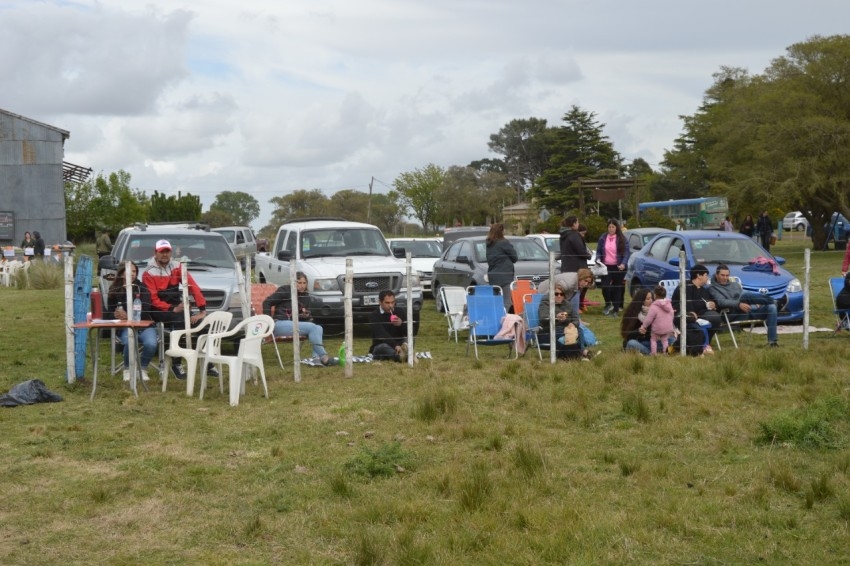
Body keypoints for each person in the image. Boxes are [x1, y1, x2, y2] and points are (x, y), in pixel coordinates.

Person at [142, 239, 215, 380]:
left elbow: (192, 286)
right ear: (155, 253)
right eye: (161, 252)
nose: (165, 254)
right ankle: (176, 363)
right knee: (180, 321)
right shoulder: (148, 272)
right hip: (158, 310)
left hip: (177, 307)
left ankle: (208, 362)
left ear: (171, 252)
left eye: (167, 251)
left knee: (203, 324)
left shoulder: (178, 266)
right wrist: (172, 308)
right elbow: (153, 299)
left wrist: (202, 310)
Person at [262, 272, 333, 365]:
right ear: (293, 282)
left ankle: (316, 359)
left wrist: (305, 316)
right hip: (279, 324)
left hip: (294, 325)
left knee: (318, 328)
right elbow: (267, 302)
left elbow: (302, 318)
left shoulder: (305, 296)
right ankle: (324, 357)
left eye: (304, 283)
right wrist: (268, 322)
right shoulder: (285, 290)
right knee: (313, 327)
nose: (302, 286)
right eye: (299, 283)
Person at [107, 262, 158, 382]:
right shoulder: (114, 290)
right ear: (121, 274)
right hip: (125, 327)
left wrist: (128, 315)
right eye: (129, 271)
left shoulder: (142, 288)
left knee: (151, 344)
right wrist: (115, 315)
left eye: (134, 271)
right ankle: (127, 369)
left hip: (145, 325)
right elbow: (107, 314)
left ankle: (143, 369)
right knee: (129, 342)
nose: (132, 274)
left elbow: (146, 310)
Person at [708, 264, 779, 347]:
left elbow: (747, 296)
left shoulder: (735, 284)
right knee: (745, 295)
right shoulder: (713, 288)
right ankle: (775, 301)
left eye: (727, 275)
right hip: (731, 313)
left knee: (772, 307)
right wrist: (738, 304)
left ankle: (772, 342)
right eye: (722, 275)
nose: (725, 278)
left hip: (747, 310)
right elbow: (722, 302)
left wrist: (756, 301)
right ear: (716, 275)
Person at [671, 264, 722, 354]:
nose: (707, 278)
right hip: (684, 314)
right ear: (699, 275)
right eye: (706, 275)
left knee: (716, 318)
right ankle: (697, 345)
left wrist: (713, 304)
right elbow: (686, 303)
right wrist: (691, 312)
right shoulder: (685, 286)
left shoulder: (703, 289)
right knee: (694, 319)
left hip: (700, 314)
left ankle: (706, 343)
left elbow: (712, 300)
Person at [537, 281, 590, 360]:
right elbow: (543, 318)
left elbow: (576, 318)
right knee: (567, 335)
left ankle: (577, 353)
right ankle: (582, 353)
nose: (559, 296)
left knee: (579, 330)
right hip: (549, 331)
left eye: (561, 294)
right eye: (556, 294)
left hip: (564, 329)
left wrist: (573, 324)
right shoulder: (545, 303)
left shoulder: (567, 304)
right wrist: (556, 317)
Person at [368, 290, 414, 362]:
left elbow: (410, 331)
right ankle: (403, 356)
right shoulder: (374, 315)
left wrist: (401, 324)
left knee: (411, 338)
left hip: (400, 344)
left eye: (392, 302)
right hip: (383, 345)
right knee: (382, 347)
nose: (390, 305)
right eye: (387, 303)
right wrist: (395, 345)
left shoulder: (400, 311)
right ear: (380, 302)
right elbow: (381, 335)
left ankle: (403, 355)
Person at [596, 219, 629, 316]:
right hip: (606, 267)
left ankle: (615, 309)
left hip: (618, 267)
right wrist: (598, 258)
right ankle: (608, 304)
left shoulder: (622, 239)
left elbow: (626, 253)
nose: (611, 229)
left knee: (617, 288)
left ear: (616, 228)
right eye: (609, 227)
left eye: (613, 227)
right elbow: (599, 251)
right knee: (605, 287)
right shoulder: (603, 238)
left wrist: (623, 263)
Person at [485, 223, 518, 310]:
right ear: (501, 232)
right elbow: (514, 258)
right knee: (507, 301)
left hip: (493, 276)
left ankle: (496, 315)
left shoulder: (489, 244)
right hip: (505, 276)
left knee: (496, 301)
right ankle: (503, 317)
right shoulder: (504, 242)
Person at [640, 285, 676, 354]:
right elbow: (672, 314)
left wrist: (643, 326)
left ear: (655, 295)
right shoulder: (669, 304)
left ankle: (654, 353)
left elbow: (649, 319)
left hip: (657, 329)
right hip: (667, 328)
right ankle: (666, 353)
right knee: (665, 341)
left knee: (653, 340)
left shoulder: (654, 306)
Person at [621, 288, 655, 354]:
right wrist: (638, 331)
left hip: (654, 341)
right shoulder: (632, 313)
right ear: (641, 300)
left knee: (671, 339)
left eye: (651, 298)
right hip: (640, 342)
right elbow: (626, 334)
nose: (651, 301)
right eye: (648, 299)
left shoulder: (656, 310)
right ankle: (650, 354)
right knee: (631, 343)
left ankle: (648, 352)